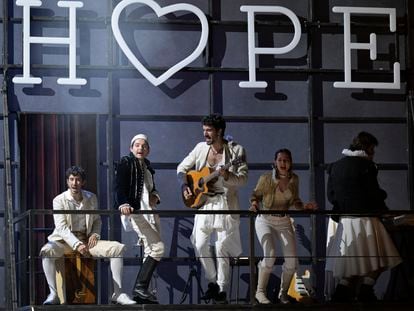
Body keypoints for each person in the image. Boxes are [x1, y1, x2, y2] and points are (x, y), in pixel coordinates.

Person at [177, 114, 248, 304]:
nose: (205, 134)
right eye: (204, 130)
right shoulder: (201, 148)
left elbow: (242, 179)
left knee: (221, 247)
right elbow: (182, 168)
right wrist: (185, 187)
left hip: (225, 203)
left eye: (209, 130)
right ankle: (213, 281)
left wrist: (226, 176)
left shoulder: (236, 151)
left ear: (220, 131)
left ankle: (222, 290)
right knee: (199, 244)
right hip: (204, 202)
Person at [40, 166, 136, 305]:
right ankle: (53, 293)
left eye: (78, 180)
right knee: (47, 251)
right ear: (67, 182)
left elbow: (97, 220)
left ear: (83, 182)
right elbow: (61, 227)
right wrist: (76, 244)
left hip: (87, 241)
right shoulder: (59, 200)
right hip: (64, 241)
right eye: (71, 180)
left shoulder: (91, 197)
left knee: (117, 248)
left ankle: (118, 293)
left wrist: (95, 234)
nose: (74, 183)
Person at [325, 131, 402, 302]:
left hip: (345, 221)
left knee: (353, 261)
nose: (373, 154)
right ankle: (366, 290)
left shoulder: (335, 166)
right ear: (367, 148)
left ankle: (342, 293)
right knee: (382, 257)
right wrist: (385, 206)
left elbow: (331, 196)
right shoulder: (366, 166)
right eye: (372, 150)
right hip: (366, 220)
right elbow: (372, 194)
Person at [249, 149, 317, 304]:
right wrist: (254, 205)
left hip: (284, 220)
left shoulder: (294, 179)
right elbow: (255, 195)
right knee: (270, 254)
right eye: (280, 160)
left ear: (290, 162)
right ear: (275, 162)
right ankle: (260, 292)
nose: (283, 163)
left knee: (292, 261)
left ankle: (283, 293)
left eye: (286, 160)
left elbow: (295, 201)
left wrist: (305, 206)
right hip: (265, 219)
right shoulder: (266, 178)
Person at [114, 133, 164, 304]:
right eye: (137, 145)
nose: (140, 148)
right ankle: (140, 287)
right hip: (136, 212)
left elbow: (152, 189)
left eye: (144, 146)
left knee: (151, 250)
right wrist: (123, 204)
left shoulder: (148, 167)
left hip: (149, 211)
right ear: (131, 148)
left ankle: (141, 292)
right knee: (157, 248)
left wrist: (155, 197)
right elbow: (119, 187)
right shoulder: (125, 162)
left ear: (148, 150)